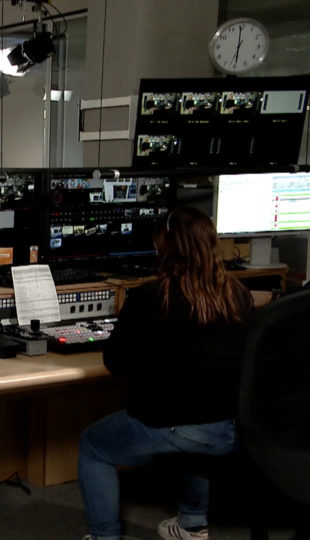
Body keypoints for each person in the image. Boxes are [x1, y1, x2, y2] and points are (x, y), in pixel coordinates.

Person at [78, 207, 253, 540]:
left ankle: (104, 536)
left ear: (165, 247)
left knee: (92, 446)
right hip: (227, 431)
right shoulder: (238, 296)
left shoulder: (151, 297)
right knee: (192, 437)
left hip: (172, 426)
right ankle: (192, 524)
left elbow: (115, 362)